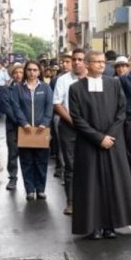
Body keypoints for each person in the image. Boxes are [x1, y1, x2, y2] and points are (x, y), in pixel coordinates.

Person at [68, 51, 131, 239]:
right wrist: (98, 138)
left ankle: (111, 225)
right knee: (92, 184)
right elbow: (77, 118)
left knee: (113, 183)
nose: (101, 65)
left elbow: (121, 111)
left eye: (103, 62)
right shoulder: (76, 88)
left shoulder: (114, 84)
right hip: (89, 143)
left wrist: (110, 136)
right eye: (97, 62)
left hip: (113, 142)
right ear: (87, 64)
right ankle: (94, 226)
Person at [10, 60, 53, 201]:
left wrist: (45, 123)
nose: (32, 72)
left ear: (39, 72)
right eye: (29, 70)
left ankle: (40, 189)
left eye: (35, 70)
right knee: (26, 160)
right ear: (25, 71)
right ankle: (29, 189)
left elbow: (49, 107)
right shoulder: (18, 88)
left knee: (41, 161)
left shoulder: (46, 88)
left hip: (41, 130)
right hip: (25, 130)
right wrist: (23, 123)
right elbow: (16, 107)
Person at [52, 48, 87, 215]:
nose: (77, 62)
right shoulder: (63, 80)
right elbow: (57, 104)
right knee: (71, 166)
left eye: (80, 59)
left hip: (90, 129)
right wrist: (75, 122)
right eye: (74, 59)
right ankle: (71, 202)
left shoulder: (94, 80)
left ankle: (90, 200)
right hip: (69, 128)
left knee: (90, 165)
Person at [113, 55, 131, 185]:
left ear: (128, 67)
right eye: (118, 66)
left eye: (123, 66)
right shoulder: (113, 80)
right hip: (118, 118)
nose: (121, 69)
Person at [1, 64, 24, 190]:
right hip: (13, 126)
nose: (18, 75)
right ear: (11, 74)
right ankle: (12, 178)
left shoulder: (29, 87)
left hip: (29, 126)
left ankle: (29, 180)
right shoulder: (6, 89)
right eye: (15, 72)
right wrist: (21, 122)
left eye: (21, 72)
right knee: (13, 153)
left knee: (29, 154)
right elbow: (7, 108)